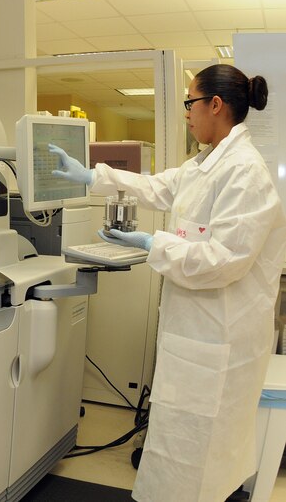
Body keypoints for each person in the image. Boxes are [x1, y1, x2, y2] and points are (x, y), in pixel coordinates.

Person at [49, 64, 286, 502]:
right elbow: (158, 186)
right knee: (178, 452)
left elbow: (222, 261)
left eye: (190, 103)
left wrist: (151, 243)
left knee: (200, 459)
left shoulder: (245, 173)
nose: (186, 114)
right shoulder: (205, 165)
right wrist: (92, 175)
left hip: (219, 341)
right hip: (196, 338)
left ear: (215, 105)